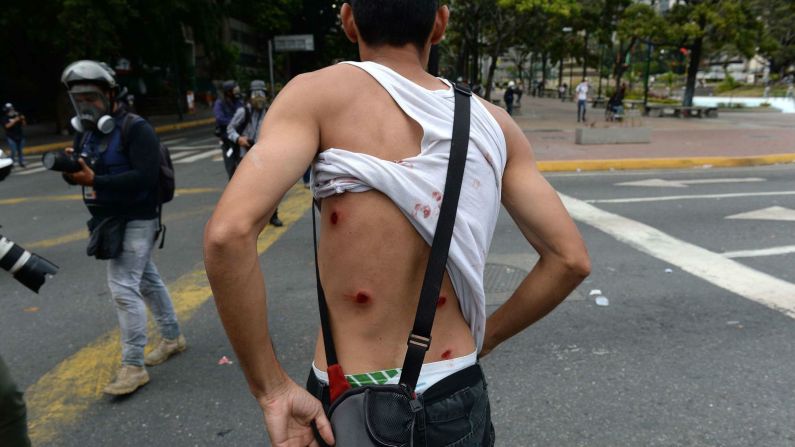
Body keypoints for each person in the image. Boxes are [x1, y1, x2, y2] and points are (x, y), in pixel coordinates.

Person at [204, 1, 590, 445]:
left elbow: (227, 236)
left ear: (348, 20)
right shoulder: (494, 124)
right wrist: (487, 340)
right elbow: (570, 259)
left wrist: (271, 390)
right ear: (440, 24)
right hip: (455, 386)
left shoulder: (317, 96)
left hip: (348, 398)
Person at [58, 60, 186, 396]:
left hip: (138, 217)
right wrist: (74, 172)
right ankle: (172, 337)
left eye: (92, 97)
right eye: (79, 99)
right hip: (108, 217)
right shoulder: (84, 131)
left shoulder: (136, 128)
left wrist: (95, 178)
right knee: (146, 279)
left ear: (111, 95)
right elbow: (83, 174)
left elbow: (144, 178)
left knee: (122, 286)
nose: (86, 105)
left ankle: (133, 366)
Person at [226, 80, 283, 226]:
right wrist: (239, 138)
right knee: (247, 188)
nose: (259, 97)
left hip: (265, 155)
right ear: (250, 96)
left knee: (271, 186)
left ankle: (273, 215)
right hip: (246, 155)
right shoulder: (243, 112)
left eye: (262, 93)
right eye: (256, 94)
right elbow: (230, 129)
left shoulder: (270, 111)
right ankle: (246, 217)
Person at [213, 80, 244, 179]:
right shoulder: (220, 103)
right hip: (227, 141)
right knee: (230, 166)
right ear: (228, 92)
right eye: (234, 90)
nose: (236, 92)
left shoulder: (238, 101)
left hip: (239, 139)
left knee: (244, 166)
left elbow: (243, 115)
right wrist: (233, 122)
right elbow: (219, 118)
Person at [2, 103, 26, 168]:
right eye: (10, 109)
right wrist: (15, 120)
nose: (12, 109)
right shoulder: (5, 118)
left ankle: (21, 163)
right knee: (13, 151)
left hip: (20, 135)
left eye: (12, 108)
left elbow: (24, 125)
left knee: (20, 151)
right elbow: (7, 126)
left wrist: (23, 119)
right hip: (11, 137)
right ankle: (11, 163)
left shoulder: (17, 115)